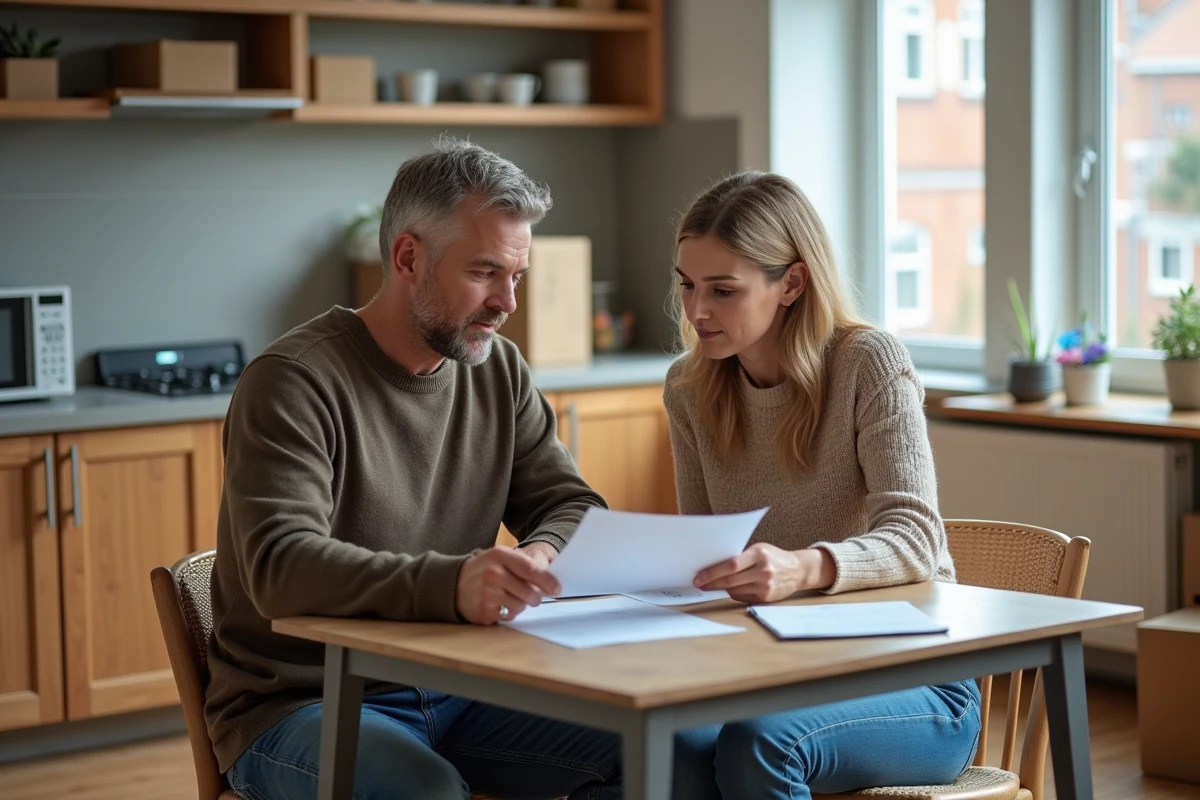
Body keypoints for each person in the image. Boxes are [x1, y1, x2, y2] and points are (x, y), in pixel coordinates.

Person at [204, 135, 622, 800]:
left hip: (462, 680)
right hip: (304, 702)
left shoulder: (499, 370)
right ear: (408, 258)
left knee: (671, 753)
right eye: (485, 272)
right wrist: (452, 585)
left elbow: (572, 505)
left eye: (517, 276)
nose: (508, 302)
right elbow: (280, 567)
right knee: (426, 792)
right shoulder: (293, 380)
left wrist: (539, 555)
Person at [663, 170, 981, 799]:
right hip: (776, 671)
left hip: (917, 679)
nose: (697, 311)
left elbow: (917, 538)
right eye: (687, 285)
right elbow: (703, 553)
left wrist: (801, 568)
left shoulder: (869, 363)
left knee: (763, 743)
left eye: (723, 290)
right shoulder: (689, 387)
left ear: (792, 283)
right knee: (663, 749)